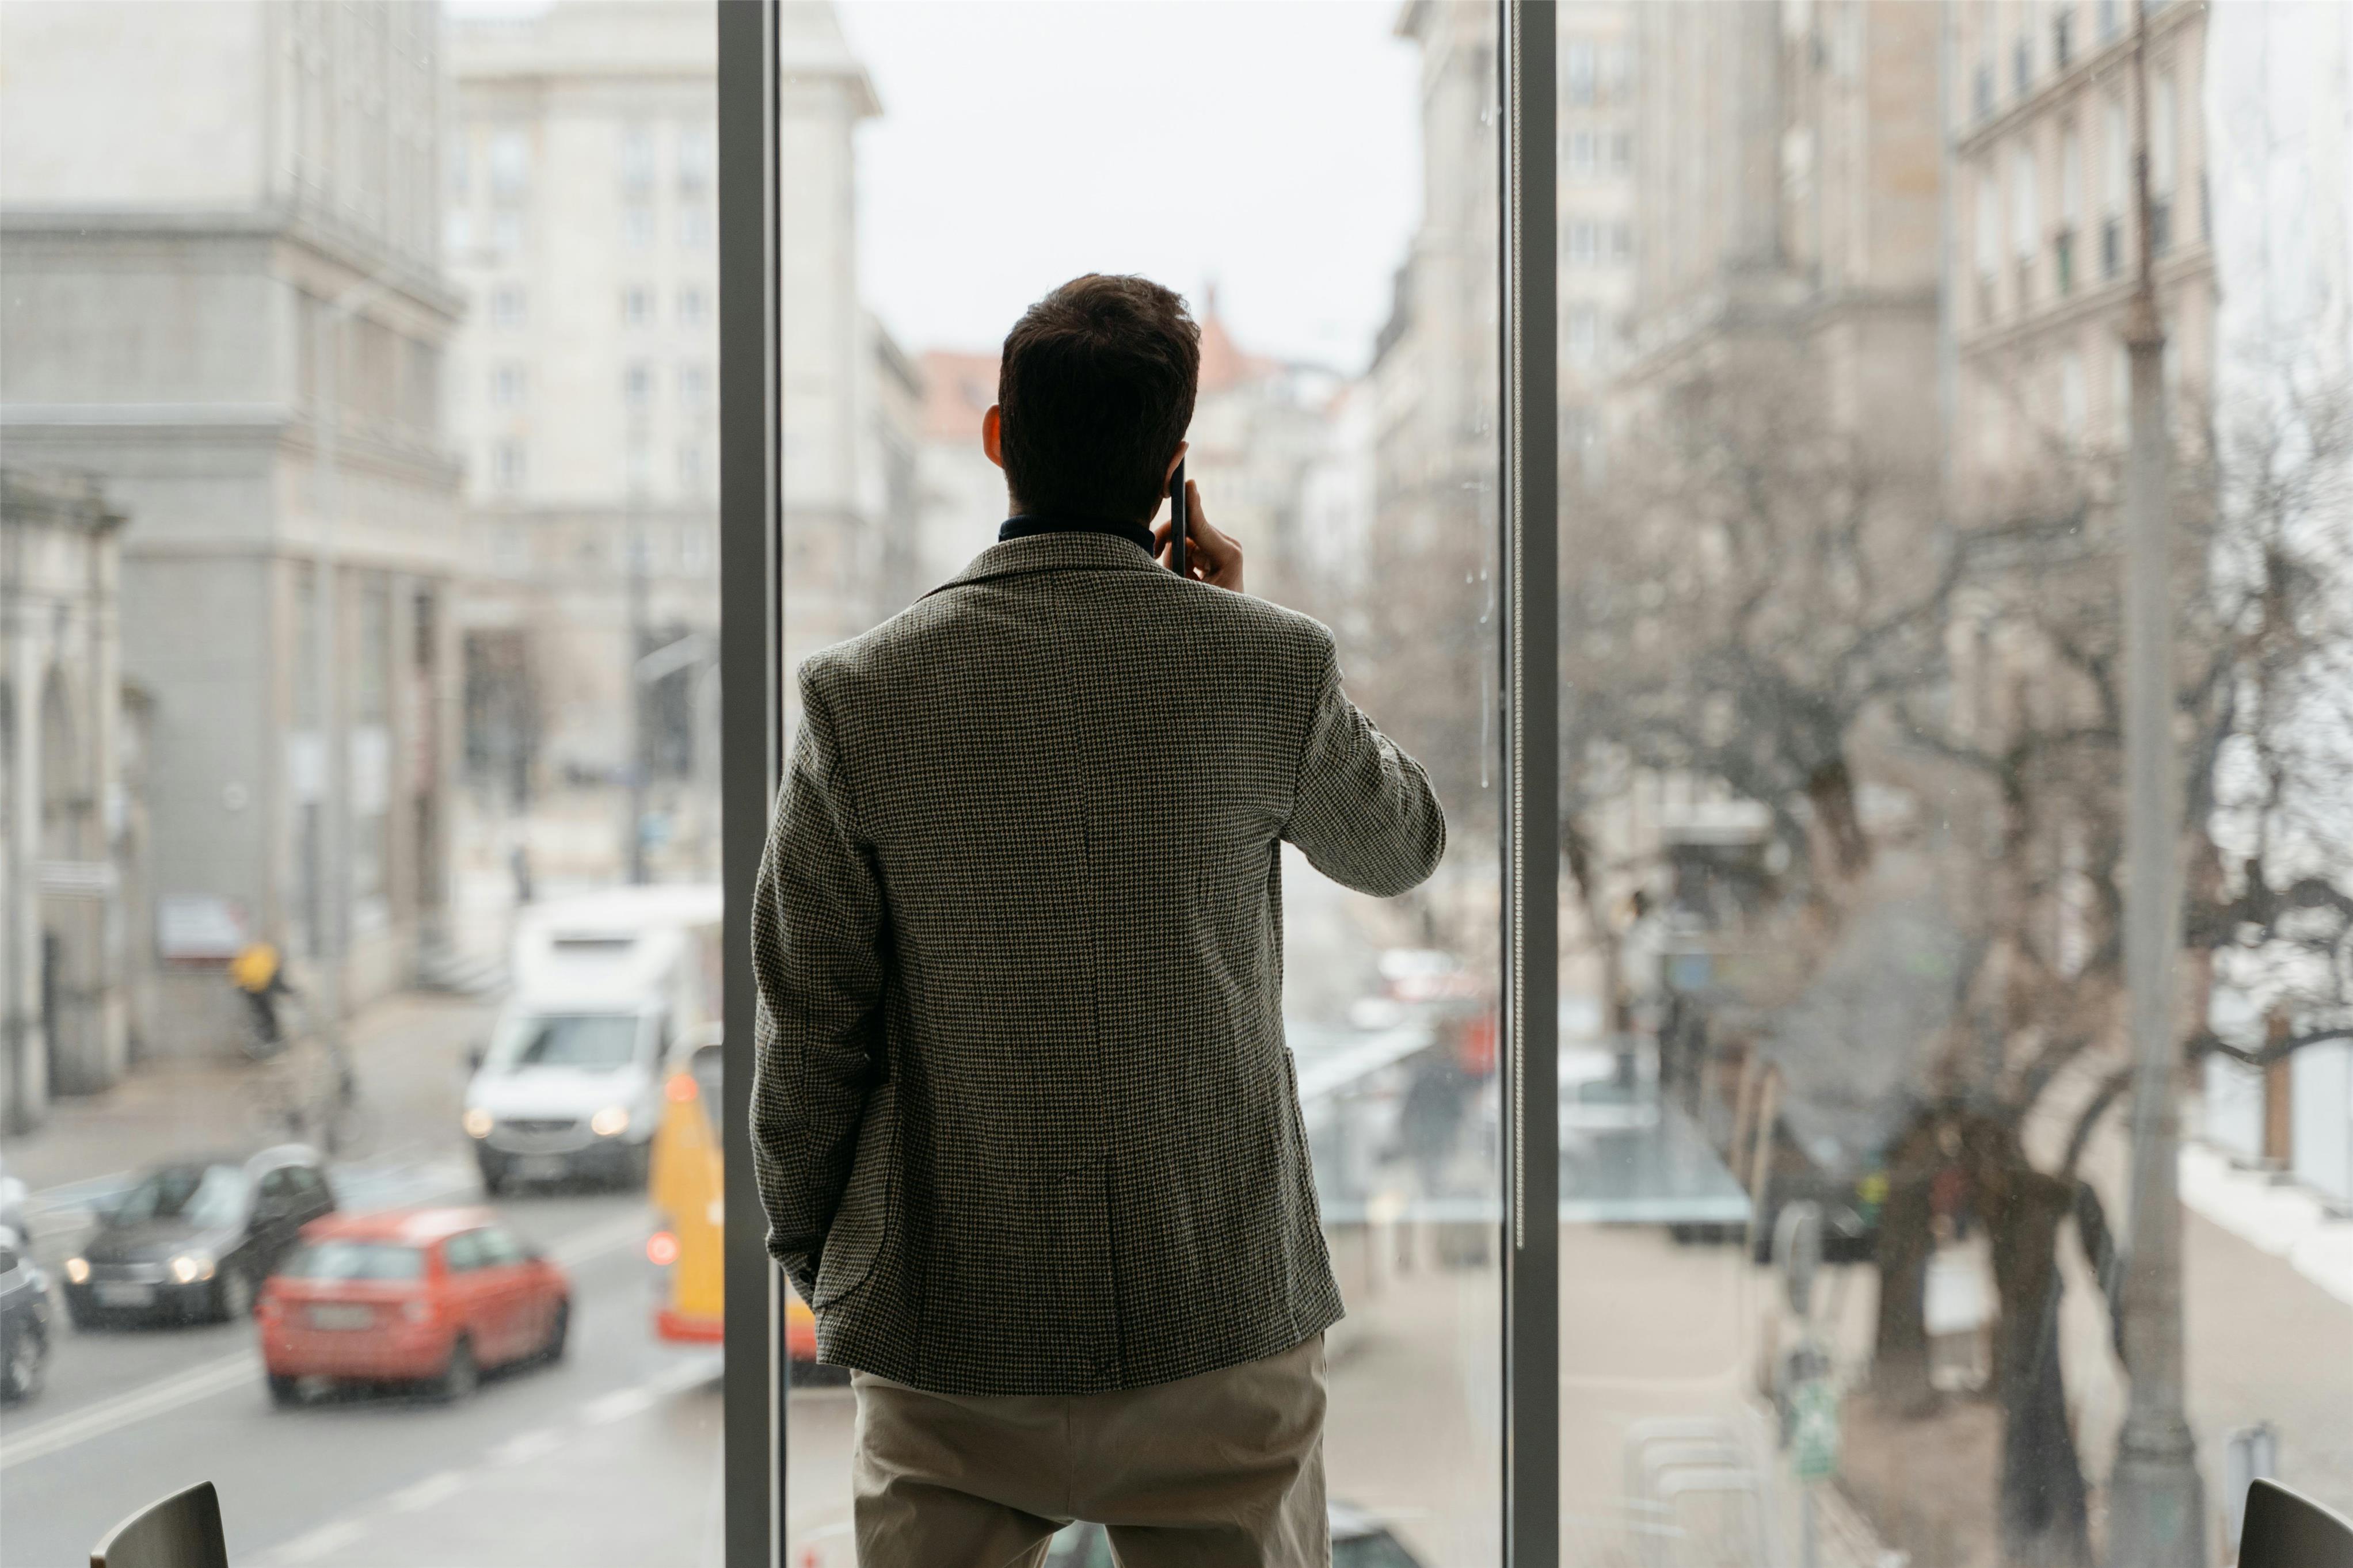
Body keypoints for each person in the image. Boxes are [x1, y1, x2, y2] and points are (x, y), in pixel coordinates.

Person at [750, 273, 1446, 1567]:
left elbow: (810, 1027)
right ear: (1174, 468)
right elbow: (1402, 845)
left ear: (998, 435)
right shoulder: (1263, 666)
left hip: (950, 1323)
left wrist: (823, 1260)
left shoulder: (859, 697)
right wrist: (1233, 621)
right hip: (1215, 1315)